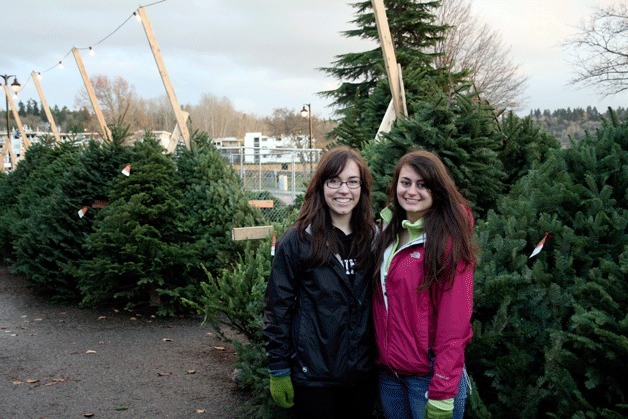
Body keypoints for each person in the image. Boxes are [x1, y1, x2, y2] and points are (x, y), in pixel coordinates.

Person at [263, 146, 377, 418]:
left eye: (352, 182)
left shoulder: (372, 240)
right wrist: (278, 367)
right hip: (313, 378)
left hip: (362, 377)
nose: (343, 190)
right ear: (321, 185)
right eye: (334, 181)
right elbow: (277, 307)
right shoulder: (298, 240)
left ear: (362, 188)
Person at [372, 150, 477, 419]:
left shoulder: (447, 241)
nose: (412, 191)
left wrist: (442, 391)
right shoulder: (389, 233)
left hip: (428, 378)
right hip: (391, 375)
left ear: (437, 189)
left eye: (423, 185)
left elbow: (455, 324)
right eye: (405, 182)